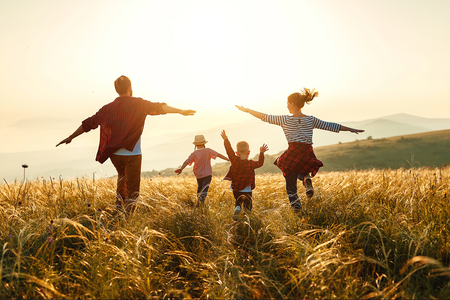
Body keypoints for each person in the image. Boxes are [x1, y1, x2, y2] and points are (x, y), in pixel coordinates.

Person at [56, 75, 195, 213]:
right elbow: (159, 107)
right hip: (132, 154)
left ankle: (118, 207)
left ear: (117, 89)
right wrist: (180, 111)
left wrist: (71, 137)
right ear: (130, 88)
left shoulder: (107, 108)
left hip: (115, 155)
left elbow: (89, 123)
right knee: (133, 189)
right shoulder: (139, 104)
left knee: (122, 178)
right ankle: (127, 217)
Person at [235, 88, 364, 213]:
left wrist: (247, 110)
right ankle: (306, 178)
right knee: (301, 170)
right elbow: (331, 126)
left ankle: (297, 210)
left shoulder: (285, 119)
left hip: (293, 152)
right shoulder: (310, 119)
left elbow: (264, 117)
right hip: (307, 152)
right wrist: (351, 129)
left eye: (287, 104)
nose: (286, 106)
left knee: (290, 185)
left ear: (292, 104)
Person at [220, 130, 269, 220]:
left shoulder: (234, 159)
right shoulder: (251, 163)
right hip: (247, 189)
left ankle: (237, 209)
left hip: (236, 188)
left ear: (236, 153)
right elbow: (260, 163)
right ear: (249, 152)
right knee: (248, 204)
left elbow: (228, 150)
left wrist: (225, 139)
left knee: (238, 200)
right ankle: (247, 217)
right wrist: (261, 153)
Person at [174, 135, 229, 206]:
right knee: (204, 190)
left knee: (200, 189)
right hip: (207, 174)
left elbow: (186, 162)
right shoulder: (208, 150)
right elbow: (218, 155)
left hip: (198, 175)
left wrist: (181, 169)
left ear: (195, 145)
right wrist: (228, 159)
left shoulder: (194, 153)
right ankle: (200, 204)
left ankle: (198, 204)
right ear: (204, 143)